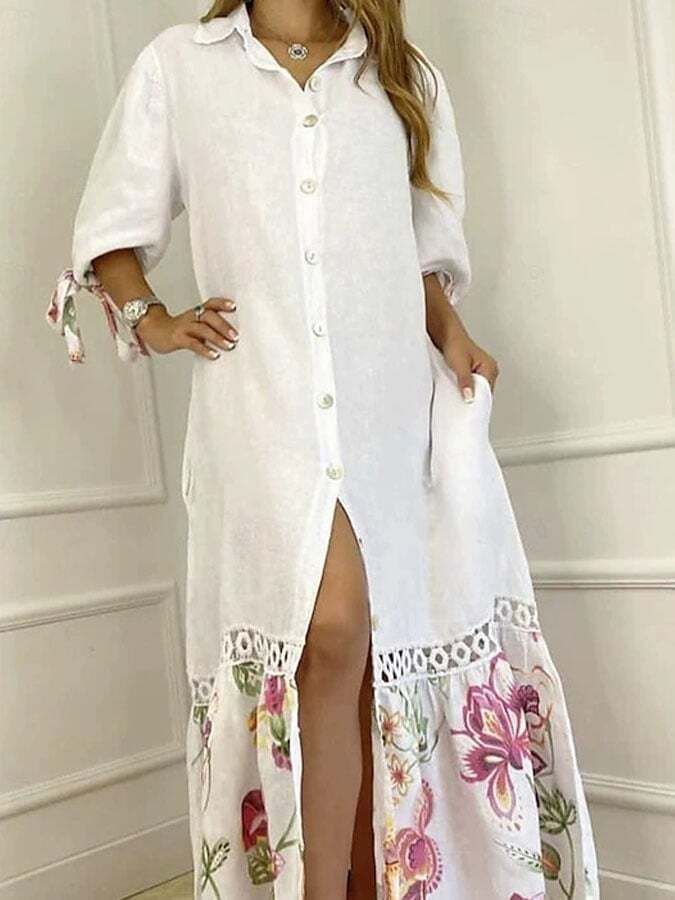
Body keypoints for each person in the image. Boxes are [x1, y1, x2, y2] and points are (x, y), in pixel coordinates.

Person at [46, 1, 600, 898]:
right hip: (257, 401)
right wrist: (153, 319)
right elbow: (111, 230)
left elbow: (416, 251)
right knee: (329, 631)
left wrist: (452, 334)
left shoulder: (402, 74)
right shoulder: (180, 66)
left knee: (373, 653)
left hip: (389, 400)